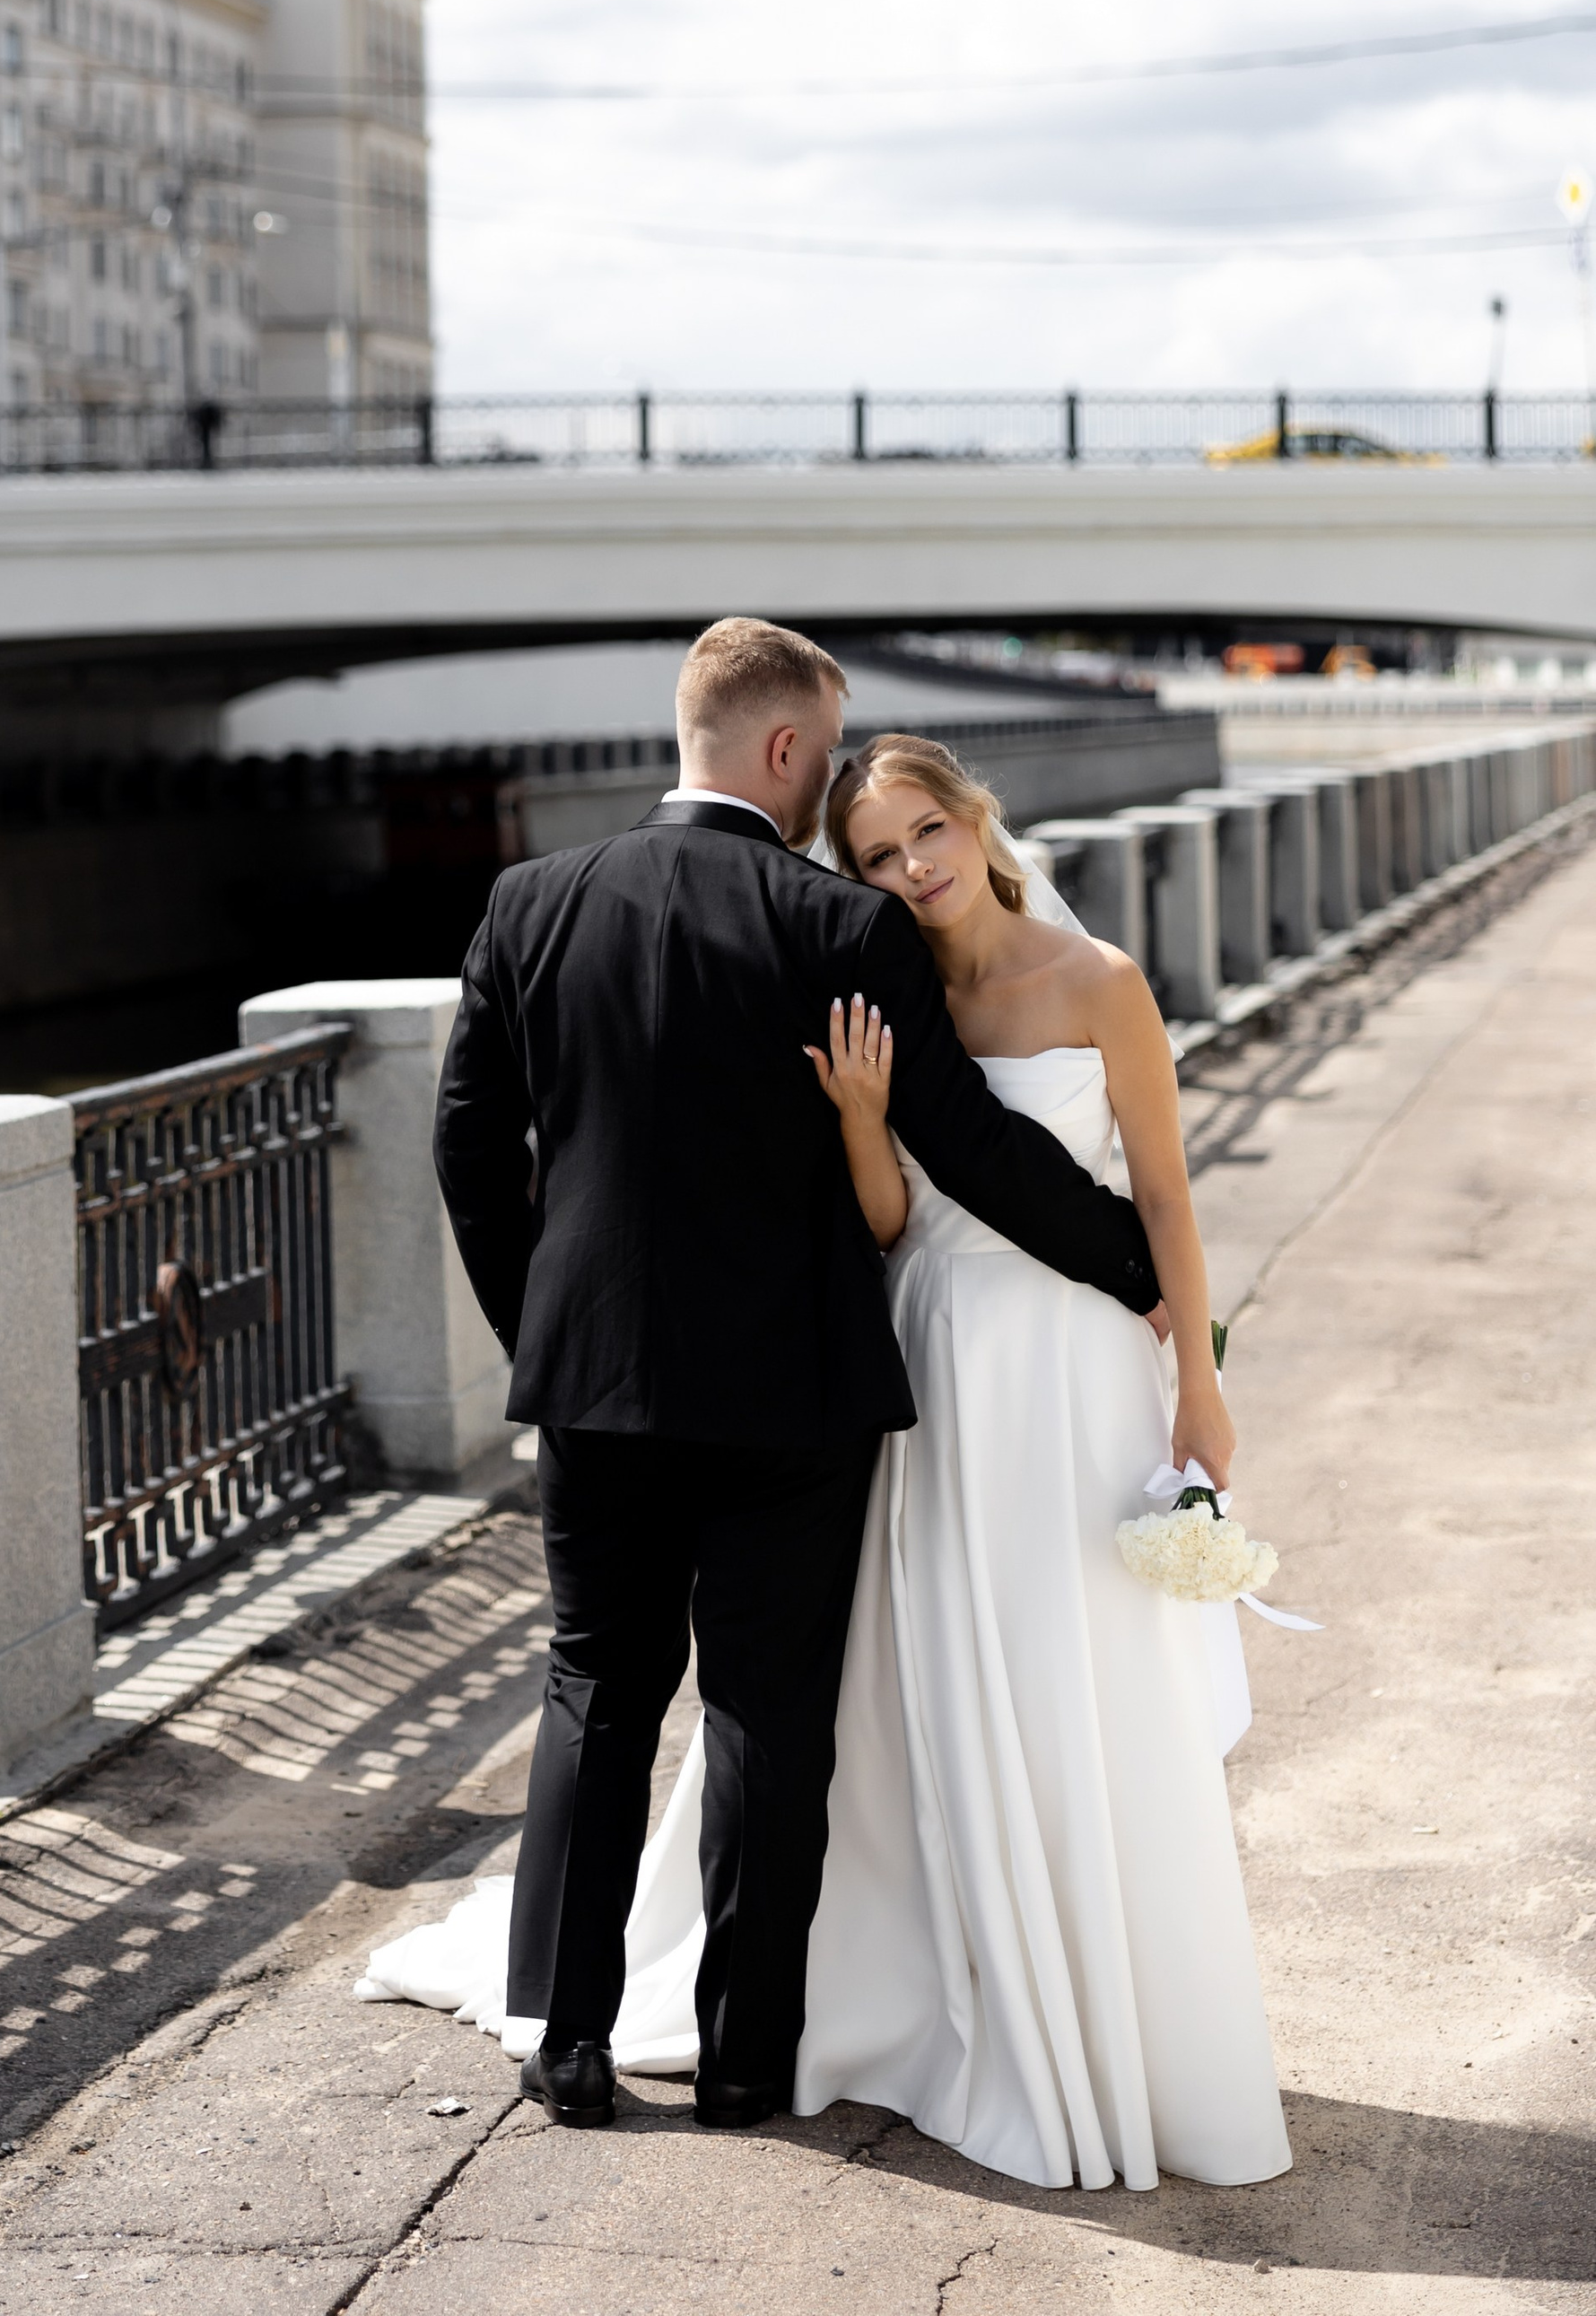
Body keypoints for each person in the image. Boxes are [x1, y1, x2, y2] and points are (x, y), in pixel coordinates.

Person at [368, 725, 1291, 2192]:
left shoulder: (529, 899)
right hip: (804, 1389)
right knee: (769, 1712)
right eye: (878, 844)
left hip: (619, 1388)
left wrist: (550, 1342)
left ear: (971, 822)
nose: (901, 866)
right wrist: (1138, 1273)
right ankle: (747, 2056)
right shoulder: (841, 928)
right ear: (792, 750)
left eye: (922, 834)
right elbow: (967, 1157)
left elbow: (474, 1150)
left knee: (600, 1691)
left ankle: (570, 2037)